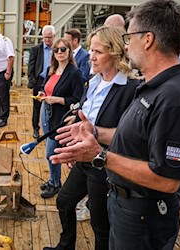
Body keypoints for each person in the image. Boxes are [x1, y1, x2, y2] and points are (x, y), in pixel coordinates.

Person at [50, 0, 180, 249]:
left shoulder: (175, 98)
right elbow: (135, 137)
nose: (126, 44)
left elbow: (168, 180)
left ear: (147, 40)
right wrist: (94, 131)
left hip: (144, 219)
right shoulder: (155, 88)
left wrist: (99, 155)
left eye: (128, 36)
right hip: (127, 206)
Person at [44, 26, 140, 250]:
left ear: (115, 53)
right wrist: (74, 148)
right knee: (64, 201)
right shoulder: (93, 82)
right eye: (91, 50)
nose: (91, 56)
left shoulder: (131, 89)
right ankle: (65, 245)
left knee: (100, 224)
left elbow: (132, 135)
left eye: (98, 51)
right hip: (84, 158)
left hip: (104, 163)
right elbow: (85, 121)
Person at [37, 38, 83, 199]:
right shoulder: (52, 69)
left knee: (51, 152)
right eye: (56, 50)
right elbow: (46, 87)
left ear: (69, 51)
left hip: (60, 116)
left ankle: (55, 183)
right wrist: (43, 93)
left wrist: (57, 99)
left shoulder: (74, 73)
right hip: (46, 112)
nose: (59, 53)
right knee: (50, 149)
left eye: (63, 49)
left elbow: (78, 99)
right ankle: (53, 180)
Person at [28, 25, 55, 138]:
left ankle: (50, 130)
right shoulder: (36, 49)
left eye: (49, 37)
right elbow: (31, 66)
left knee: (52, 105)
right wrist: (33, 81)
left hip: (53, 80)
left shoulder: (58, 49)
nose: (47, 40)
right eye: (45, 37)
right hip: (39, 81)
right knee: (36, 107)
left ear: (54, 36)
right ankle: (35, 128)